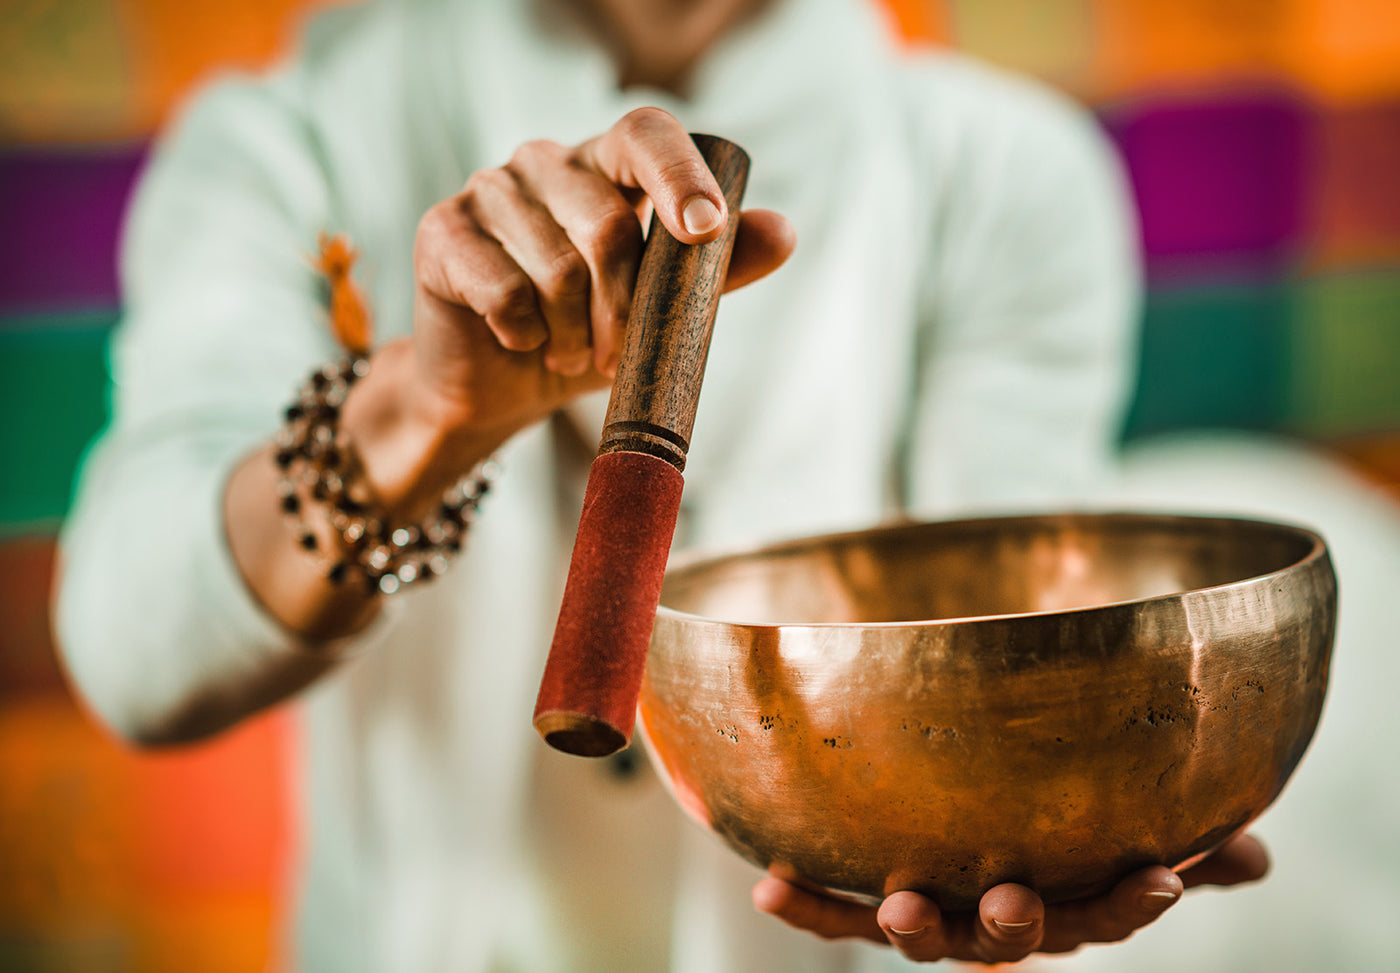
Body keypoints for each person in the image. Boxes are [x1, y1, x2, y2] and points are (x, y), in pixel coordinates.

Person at [53, 0, 1267, 968]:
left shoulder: (1003, 169)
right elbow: (137, 652)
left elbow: (999, 652)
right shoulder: (286, 137)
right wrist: (425, 410)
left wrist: (1032, 838)